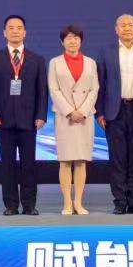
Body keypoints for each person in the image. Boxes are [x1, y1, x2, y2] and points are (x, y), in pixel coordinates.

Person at [0, 15, 49, 216]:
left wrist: (41, 115)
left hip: (29, 121)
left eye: (19, 28)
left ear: (25, 32)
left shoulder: (37, 59)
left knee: (29, 164)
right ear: (4, 32)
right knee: (7, 165)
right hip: (3, 121)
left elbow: (42, 91)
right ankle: (10, 204)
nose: (15, 31)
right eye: (11, 28)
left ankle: (29, 204)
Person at [95, 14, 133, 215]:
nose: (127, 28)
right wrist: (99, 112)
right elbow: (99, 84)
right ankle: (120, 201)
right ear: (116, 29)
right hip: (115, 111)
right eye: (123, 25)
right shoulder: (106, 52)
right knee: (117, 158)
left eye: (131, 25)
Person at [49, 24, 98, 215]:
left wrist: (83, 111)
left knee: (81, 161)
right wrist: (70, 111)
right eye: (68, 38)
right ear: (62, 41)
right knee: (65, 161)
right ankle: (67, 203)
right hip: (65, 117)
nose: (72, 41)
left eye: (76, 38)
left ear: (81, 41)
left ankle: (78, 202)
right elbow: (54, 90)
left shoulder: (91, 63)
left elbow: (94, 89)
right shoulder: (55, 62)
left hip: (84, 117)